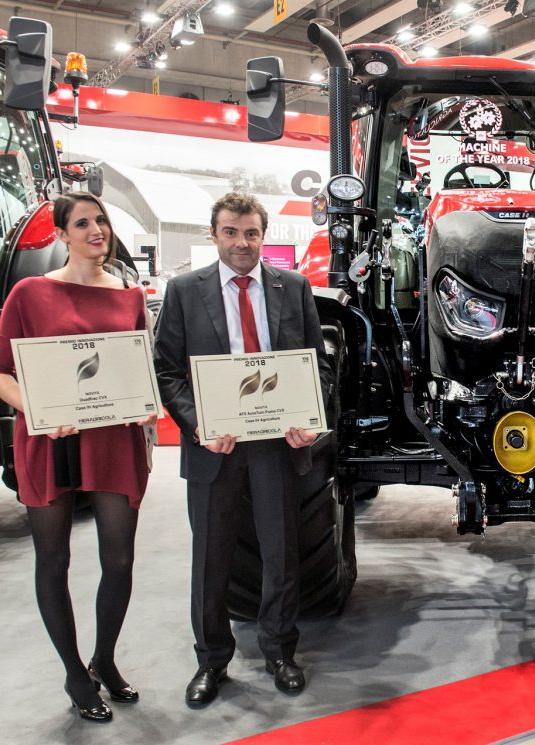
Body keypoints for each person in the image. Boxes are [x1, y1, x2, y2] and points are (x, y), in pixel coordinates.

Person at [154, 192, 333, 706]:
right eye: (231, 232)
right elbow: (168, 370)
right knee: (211, 558)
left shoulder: (292, 287)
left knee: (282, 553)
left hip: (276, 445)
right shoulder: (186, 291)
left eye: (251, 233)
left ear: (263, 236)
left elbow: (314, 365)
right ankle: (212, 661)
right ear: (214, 235)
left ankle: (280, 650)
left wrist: (307, 418)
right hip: (216, 446)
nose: (241, 242)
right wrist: (198, 425)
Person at [0, 192, 156, 722]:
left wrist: (146, 405)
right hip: (50, 438)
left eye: (101, 221)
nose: (95, 230)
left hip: (113, 439)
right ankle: (73, 673)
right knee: (53, 560)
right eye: (82, 223)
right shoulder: (30, 292)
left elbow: (138, 369)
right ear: (61, 234)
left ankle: (103, 658)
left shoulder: (129, 297)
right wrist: (36, 409)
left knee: (120, 559)